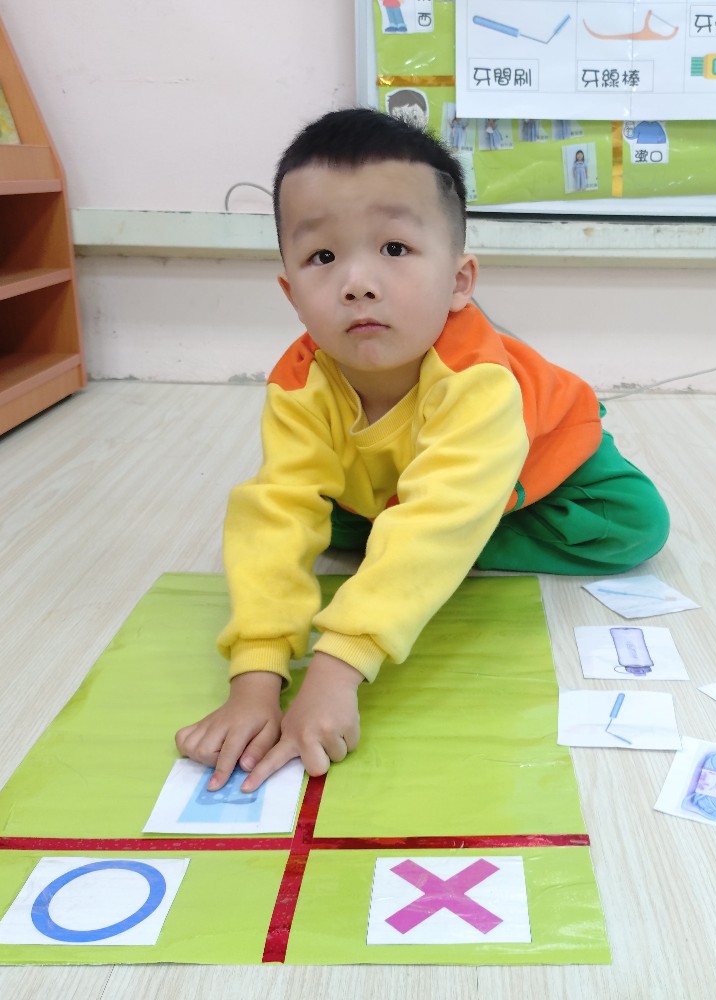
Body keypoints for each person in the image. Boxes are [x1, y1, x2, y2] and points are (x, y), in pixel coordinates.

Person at [175, 108, 668, 792]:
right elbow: (277, 512)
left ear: (460, 281)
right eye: (322, 257)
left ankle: (445, 542)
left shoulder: (475, 377)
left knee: (635, 524)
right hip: (400, 484)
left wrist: (336, 669)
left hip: (538, 465)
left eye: (395, 249)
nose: (357, 282)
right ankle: (417, 541)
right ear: (291, 293)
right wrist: (255, 678)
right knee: (310, 521)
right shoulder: (299, 382)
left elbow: (439, 512)